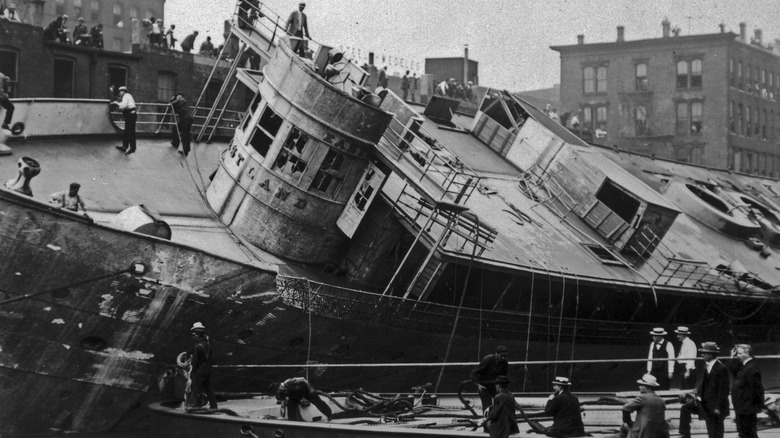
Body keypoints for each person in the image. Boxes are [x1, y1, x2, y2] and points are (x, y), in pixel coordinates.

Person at [678, 342, 730, 438]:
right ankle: (685, 434)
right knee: (685, 408)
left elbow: (723, 390)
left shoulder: (721, 368)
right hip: (705, 403)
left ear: (710, 354)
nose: (702, 355)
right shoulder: (706, 367)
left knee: (715, 432)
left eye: (704, 353)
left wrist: (718, 407)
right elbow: (703, 385)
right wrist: (695, 395)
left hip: (715, 406)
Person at [729, 344, 764, 438]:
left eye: (740, 353)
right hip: (742, 407)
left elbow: (756, 389)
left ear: (747, 353)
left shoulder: (751, 367)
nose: (738, 355)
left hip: (747, 408)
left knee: (748, 432)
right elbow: (734, 371)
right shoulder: (745, 366)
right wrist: (732, 357)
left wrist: (756, 407)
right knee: (743, 432)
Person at [621, 374, 668, 438]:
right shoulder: (661, 401)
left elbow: (625, 408)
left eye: (641, 385)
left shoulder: (643, 397)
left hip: (643, 433)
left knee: (624, 426)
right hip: (658, 433)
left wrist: (629, 422)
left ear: (647, 387)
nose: (639, 387)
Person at [187, 322, 218, 409]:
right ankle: (214, 406)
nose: (193, 337)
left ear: (198, 335)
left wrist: (192, 372)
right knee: (208, 388)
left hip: (199, 370)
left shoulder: (197, 347)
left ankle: (198, 405)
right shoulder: (207, 344)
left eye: (194, 335)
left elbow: (195, 361)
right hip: (208, 369)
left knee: (197, 387)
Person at [470, 345, 508, 413]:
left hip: (495, 386)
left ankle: (498, 419)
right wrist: (477, 382)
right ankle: (487, 420)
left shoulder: (504, 363)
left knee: (501, 403)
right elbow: (474, 372)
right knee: (487, 406)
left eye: (504, 356)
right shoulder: (487, 360)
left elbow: (503, 376)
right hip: (484, 386)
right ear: (496, 354)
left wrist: (502, 387)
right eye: (501, 355)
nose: (503, 357)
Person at [112, 86, 137, 155]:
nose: (119, 93)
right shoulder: (127, 96)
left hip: (130, 115)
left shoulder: (126, 96)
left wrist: (117, 103)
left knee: (130, 132)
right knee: (127, 131)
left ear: (123, 91)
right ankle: (124, 146)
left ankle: (132, 148)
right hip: (130, 115)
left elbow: (123, 105)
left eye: (120, 91)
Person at [169, 92, 193, 157]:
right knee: (175, 128)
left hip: (186, 120)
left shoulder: (181, 101)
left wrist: (176, 99)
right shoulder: (182, 102)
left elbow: (170, 104)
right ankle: (175, 143)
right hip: (185, 119)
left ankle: (185, 151)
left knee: (185, 135)